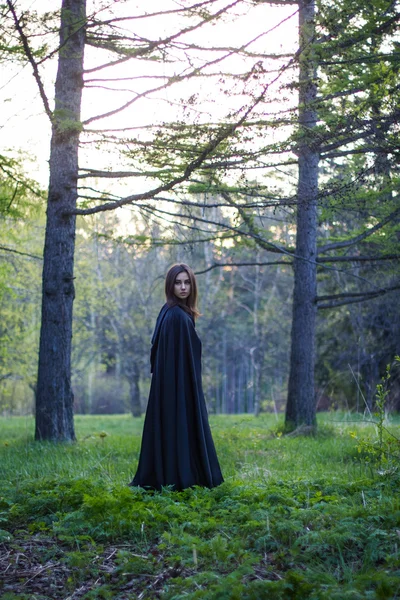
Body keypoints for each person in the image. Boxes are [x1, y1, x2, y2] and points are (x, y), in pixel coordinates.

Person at [130, 263, 224, 491]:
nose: (183, 287)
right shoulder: (176, 317)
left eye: (187, 282)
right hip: (177, 388)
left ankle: (173, 475)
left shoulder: (171, 312)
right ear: (170, 285)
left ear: (192, 284)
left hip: (174, 387)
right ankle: (182, 477)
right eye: (178, 282)